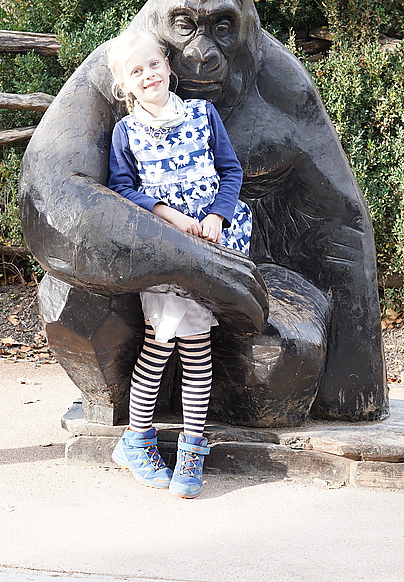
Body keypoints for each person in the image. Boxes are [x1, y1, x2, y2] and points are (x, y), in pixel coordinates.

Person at [107, 30, 252, 498]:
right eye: (136, 71)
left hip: (215, 243)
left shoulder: (202, 114)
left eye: (153, 64)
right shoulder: (126, 132)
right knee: (161, 344)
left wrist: (215, 215)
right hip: (167, 249)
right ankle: (137, 439)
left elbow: (230, 171)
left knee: (197, 347)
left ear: (168, 66)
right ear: (125, 86)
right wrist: (167, 215)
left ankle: (191, 449)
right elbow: (123, 188)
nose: (148, 75)